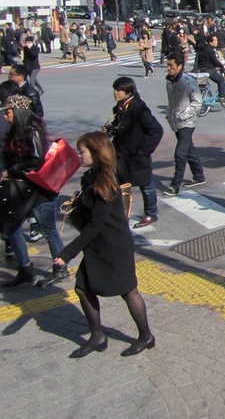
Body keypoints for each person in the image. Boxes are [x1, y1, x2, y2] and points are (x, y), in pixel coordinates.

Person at [55, 132, 154, 358]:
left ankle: (145, 335)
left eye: (82, 151)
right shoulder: (91, 176)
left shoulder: (106, 182)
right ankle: (98, 336)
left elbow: (95, 225)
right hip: (98, 245)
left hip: (113, 246)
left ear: (96, 153)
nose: (79, 155)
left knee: (128, 290)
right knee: (82, 287)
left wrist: (67, 253)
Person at [0, 94, 65, 288]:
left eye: (8, 112)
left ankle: (60, 268)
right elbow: (6, 154)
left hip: (40, 190)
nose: (5, 116)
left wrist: (11, 170)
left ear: (18, 112)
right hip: (20, 189)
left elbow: (36, 161)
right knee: (12, 228)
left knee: (48, 230)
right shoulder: (13, 131)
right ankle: (25, 269)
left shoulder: (33, 131)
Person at [106, 77, 164, 228]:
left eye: (119, 90)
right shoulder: (119, 107)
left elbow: (156, 130)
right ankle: (122, 214)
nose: (115, 93)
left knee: (146, 185)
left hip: (137, 156)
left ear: (129, 92)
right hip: (122, 155)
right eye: (115, 89)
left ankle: (151, 213)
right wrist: (111, 129)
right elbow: (120, 126)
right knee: (121, 185)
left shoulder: (139, 109)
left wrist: (143, 150)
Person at [163, 51, 205, 195]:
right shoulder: (169, 81)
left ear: (180, 66)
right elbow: (171, 101)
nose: (168, 68)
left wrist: (183, 115)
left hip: (187, 122)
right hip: (175, 121)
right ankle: (199, 175)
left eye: (171, 65)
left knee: (180, 153)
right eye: (167, 65)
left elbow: (197, 101)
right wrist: (170, 114)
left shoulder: (187, 81)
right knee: (188, 149)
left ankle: (175, 185)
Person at [194, 34, 225, 101]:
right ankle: (222, 97)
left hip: (200, 69)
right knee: (221, 80)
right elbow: (215, 61)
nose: (217, 41)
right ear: (210, 42)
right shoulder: (209, 50)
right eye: (216, 40)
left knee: (203, 84)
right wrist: (222, 66)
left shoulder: (201, 48)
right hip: (208, 70)